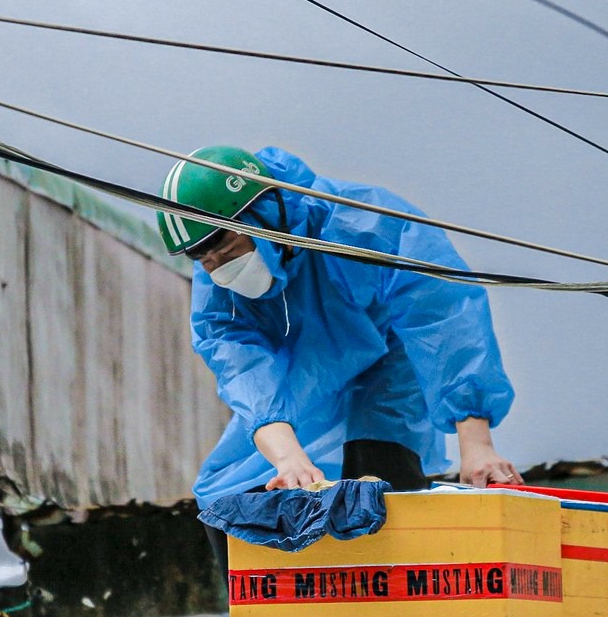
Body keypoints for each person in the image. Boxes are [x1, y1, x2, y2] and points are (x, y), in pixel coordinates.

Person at [157, 145, 521, 571]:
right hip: (302, 379)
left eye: (225, 246)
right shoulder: (218, 293)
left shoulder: (360, 225)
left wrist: (476, 446)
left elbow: (442, 314)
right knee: (229, 495)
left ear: (265, 211)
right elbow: (246, 376)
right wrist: (288, 458)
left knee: (377, 476)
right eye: (203, 258)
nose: (219, 267)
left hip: (386, 364)